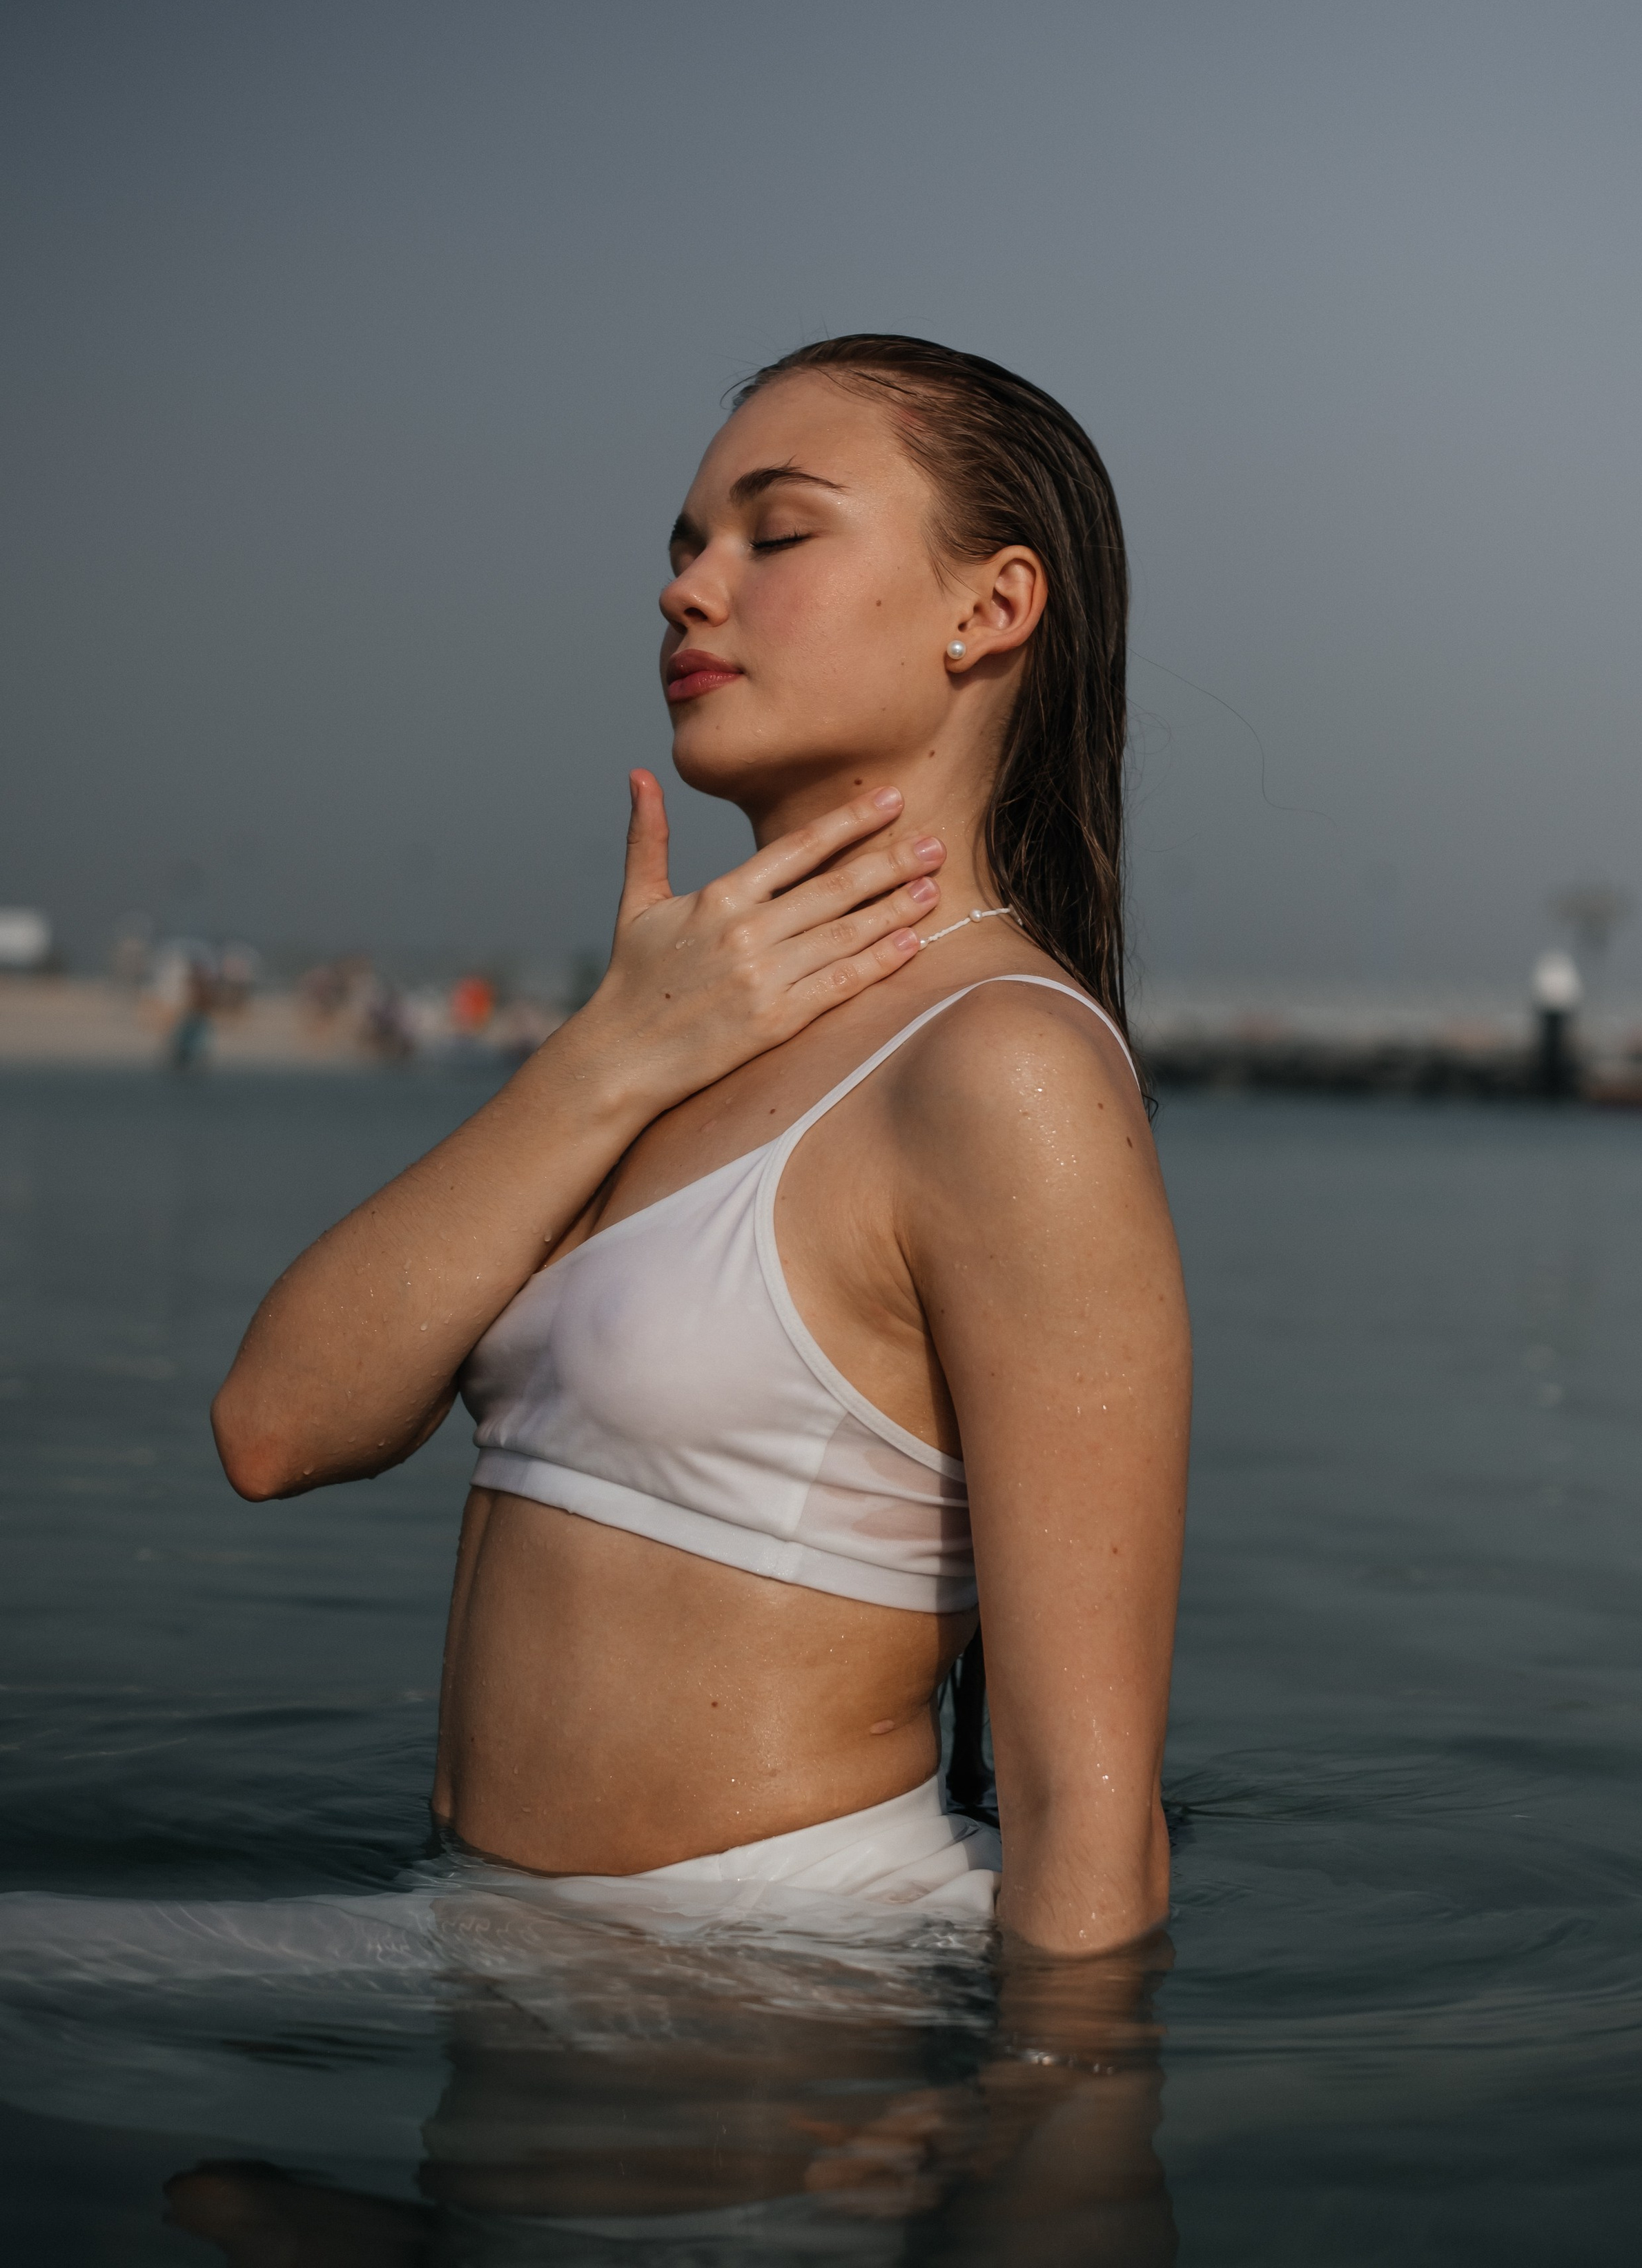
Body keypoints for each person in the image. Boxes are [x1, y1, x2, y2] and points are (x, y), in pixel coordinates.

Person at [211, 334, 1191, 1964]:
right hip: (508, 1964)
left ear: (989, 607)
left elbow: (1088, 1822)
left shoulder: (1002, 1070)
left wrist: (1057, 2116)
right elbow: (274, 1427)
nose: (686, 590)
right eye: (682, 548)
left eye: (775, 533)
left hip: (774, 2025)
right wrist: (608, 1056)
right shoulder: (671, 1037)